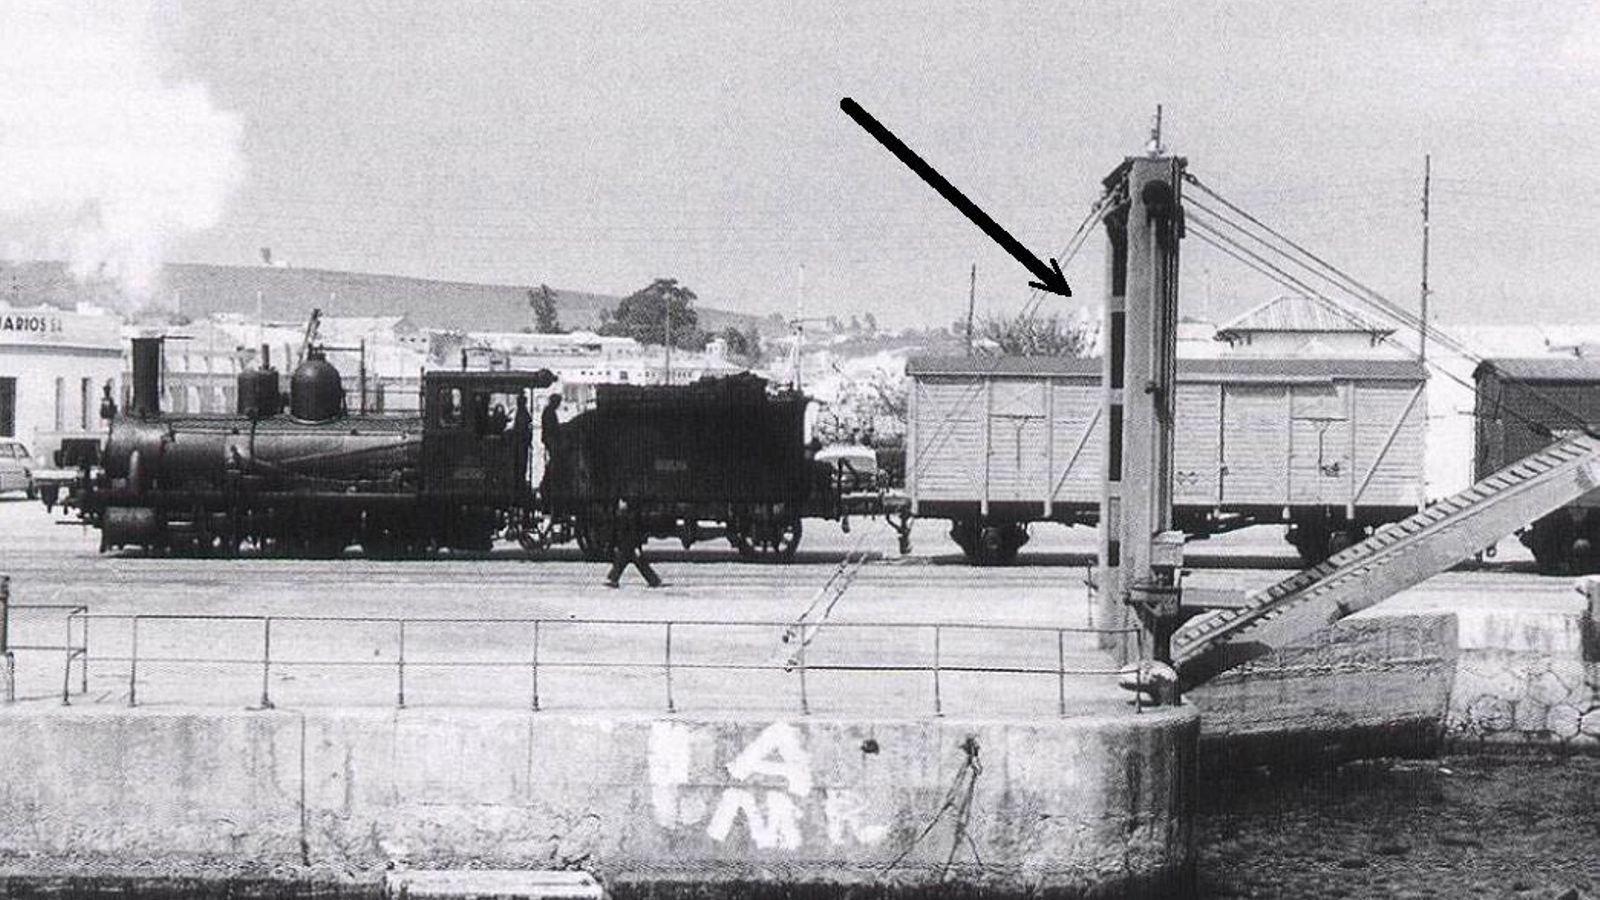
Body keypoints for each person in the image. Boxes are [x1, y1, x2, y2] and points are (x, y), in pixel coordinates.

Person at [605, 498, 662, 588]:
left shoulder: (627, 516)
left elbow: (631, 532)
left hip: (629, 544)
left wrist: (635, 545)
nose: (620, 505)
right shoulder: (626, 515)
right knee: (631, 562)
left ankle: (614, 579)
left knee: (627, 562)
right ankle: (653, 580)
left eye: (621, 503)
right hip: (629, 545)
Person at [512, 393, 534, 484]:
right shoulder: (521, 411)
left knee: (521, 462)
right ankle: (520, 479)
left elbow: (523, 425)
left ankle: (520, 479)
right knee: (520, 462)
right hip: (520, 441)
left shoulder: (522, 412)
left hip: (521, 441)